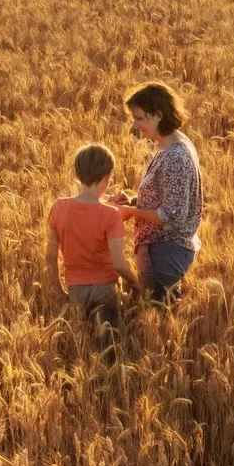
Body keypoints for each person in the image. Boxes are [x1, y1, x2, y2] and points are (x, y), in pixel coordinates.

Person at [111, 81, 203, 300]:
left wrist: (131, 213)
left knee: (158, 316)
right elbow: (168, 198)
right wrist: (134, 201)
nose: (135, 125)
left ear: (158, 115)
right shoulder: (172, 145)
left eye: (140, 118)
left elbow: (172, 216)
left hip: (164, 251)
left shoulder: (175, 157)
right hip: (163, 249)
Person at [47, 143, 140, 341]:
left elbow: (50, 256)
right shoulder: (111, 215)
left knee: (82, 346)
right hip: (105, 290)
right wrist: (135, 283)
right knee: (108, 346)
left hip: (75, 289)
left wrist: (58, 290)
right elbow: (119, 264)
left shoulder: (59, 207)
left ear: (78, 173)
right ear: (107, 177)